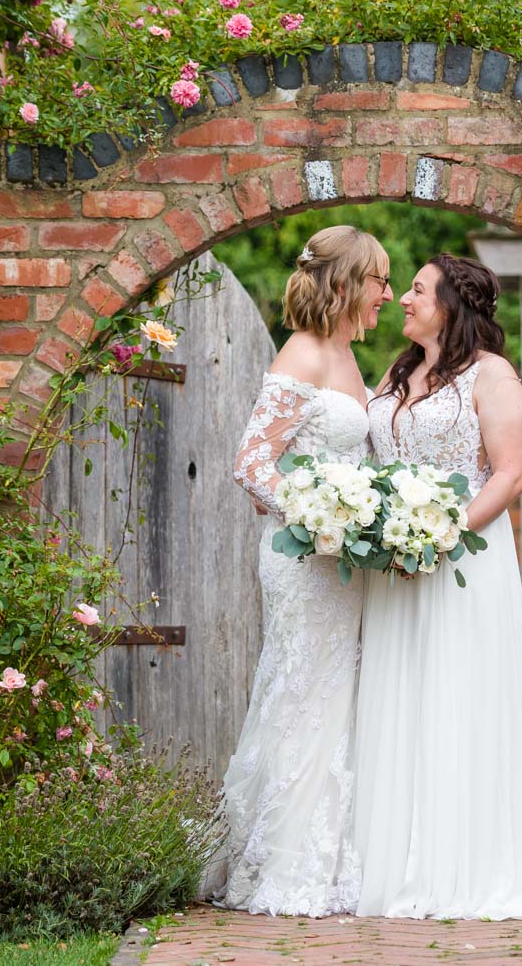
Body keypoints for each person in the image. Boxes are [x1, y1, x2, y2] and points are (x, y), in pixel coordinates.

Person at [353, 253, 522, 920]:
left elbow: (509, 476)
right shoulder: (399, 371)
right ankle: (401, 859)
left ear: (452, 302)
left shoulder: (492, 374)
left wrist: (437, 536)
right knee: (402, 699)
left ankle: (466, 862)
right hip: (397, 567)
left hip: (462, 562)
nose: (404, 299)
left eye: (417, 290)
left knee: (457, 697)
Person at [205, 224, 393, 916]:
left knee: (335, 694)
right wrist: (317, 517)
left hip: (341, 563)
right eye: (379, 279)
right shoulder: (304, 353)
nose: (389, 293)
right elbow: (252, 463)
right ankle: (285, 865)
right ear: (345, 284)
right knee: (301, 690)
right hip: (302, 558)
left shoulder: (346, 353)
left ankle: (335, 854)